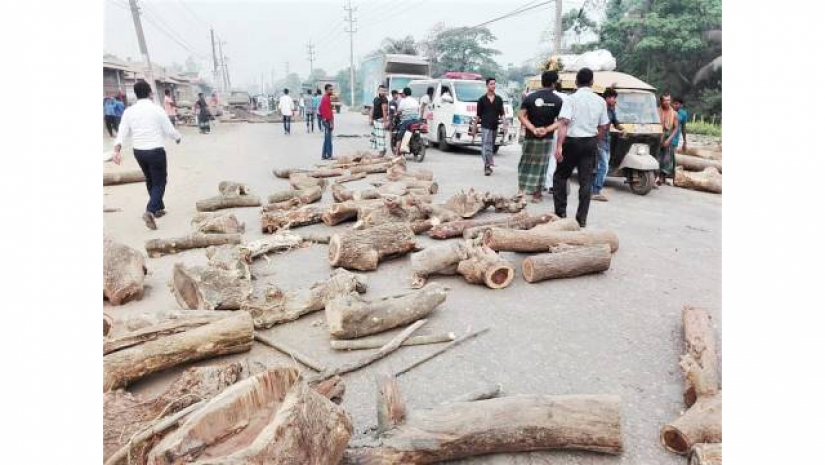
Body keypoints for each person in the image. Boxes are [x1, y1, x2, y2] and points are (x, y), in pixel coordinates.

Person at [113, 80, 181, 230]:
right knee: (160, 181)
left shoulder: (129, 111)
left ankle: (158, 209)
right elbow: (169, 130)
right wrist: (177, 138)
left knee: (150, 179)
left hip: (139, 152)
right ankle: (150, 210)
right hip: (155, 150)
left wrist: (116, 150)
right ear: (150, 93)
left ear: (136, 94)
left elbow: (122, 131)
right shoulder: (157, 110)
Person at [553, 68, 609, 228]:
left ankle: (560, 214)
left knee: (561, 177)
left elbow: (563, 124)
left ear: (576, 82)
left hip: (571, 142)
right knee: (586, 181)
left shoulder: (571, 100)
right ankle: (581, 218)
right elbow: (604, 125)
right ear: (592, 82)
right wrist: (595, 139)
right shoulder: (600, 101)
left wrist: (559, 147)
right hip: (589, 143)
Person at [517, 71, 564, 202]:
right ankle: (537, 194)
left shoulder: (530, 97)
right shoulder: (558, 100)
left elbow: (520, 115)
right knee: (542, 165)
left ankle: (521, 191)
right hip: (546, 138)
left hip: (530, 136)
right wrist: (546, 129)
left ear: (542, 81)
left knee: (525, 162)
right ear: (554, 83)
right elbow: (562, 121)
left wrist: (532, 128)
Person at [591, 87, 625, 202]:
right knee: (604, 166)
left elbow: (615, 123)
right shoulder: (599, 109)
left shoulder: (611, 109)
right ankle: (596, 191)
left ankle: (592, 189)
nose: (614, 100)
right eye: (612, 98)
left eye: (614, 98)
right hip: (598, 140)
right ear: (606, 98)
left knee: (599, 166)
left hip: (606, 141)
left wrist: (622, 129)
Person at [471, 77, 505, 176]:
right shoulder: (481, 100)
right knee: (486, 145)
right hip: (485, 125)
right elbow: (478, 115)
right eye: (491, 84)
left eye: (494, 84)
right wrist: (474, 128)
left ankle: (488, 163)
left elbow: (502, 113)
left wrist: (505, 124)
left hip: (495, 126)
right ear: (487, 86)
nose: (493, 86)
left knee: (491, 145)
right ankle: (487, 165)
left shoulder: (499, 99)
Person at [544, 79, 569, 193]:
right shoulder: (565, 98)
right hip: (560, 130)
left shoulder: (546, 96)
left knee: (547, 157)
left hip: (545, 128)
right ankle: (553, 184)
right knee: (556, 157)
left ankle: (545, 183)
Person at [657, 93, 679, 186]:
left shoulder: (674, 113)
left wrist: (669, 140)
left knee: (666, 158)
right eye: (665, 100)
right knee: (656, 156)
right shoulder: (656, 111)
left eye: (668, 100)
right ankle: (653, 176)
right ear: (661, 101)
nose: (667, 102)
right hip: (657, 135)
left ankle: (662, 178)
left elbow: (676, 128)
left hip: (667, 136)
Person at [395, 87, 419, 155]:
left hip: (407, 121)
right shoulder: (415, 100)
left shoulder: (403, 100)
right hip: (416, 120)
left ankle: (397, 153)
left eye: (402, 93)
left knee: (399, 136)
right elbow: (417, 109)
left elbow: (399, 111)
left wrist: (396, 114)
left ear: (404, 93)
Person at [370, 85, 389, 156]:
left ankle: (382, 151)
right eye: (381, 90)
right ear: (378, 90)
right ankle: (382, 150)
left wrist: (385, 121)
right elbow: (372, 109)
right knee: (376, 137)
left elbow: (385, 111)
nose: (383, 92)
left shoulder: (384, 99)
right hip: (375, 120)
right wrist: (370, 118)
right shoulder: (375, 99)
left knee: (381, 137)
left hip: (381, 120)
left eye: (384, 91)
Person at [319, 84, 335, 159]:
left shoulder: (326, 98)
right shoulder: (325, 98)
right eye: (330, 89)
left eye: (332, 89)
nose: (331, 91)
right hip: (327, 121)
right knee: (328, 139)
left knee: (327, 138)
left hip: (325, 120)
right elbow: (328, 112)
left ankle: (324, 155)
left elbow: (320, 109)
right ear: (326, 90)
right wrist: (331, 122)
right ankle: (329, 155)